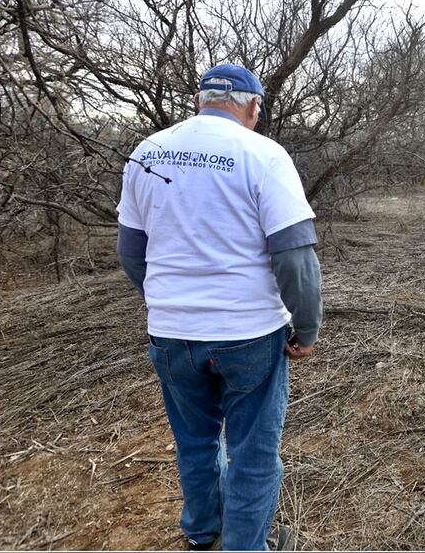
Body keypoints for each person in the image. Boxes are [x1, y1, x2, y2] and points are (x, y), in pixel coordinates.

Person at [116, 63, 322, 551]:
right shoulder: (263, 154)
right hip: (248, 334)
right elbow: (295, 259)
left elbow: (130, 251)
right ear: (253, 107)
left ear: (199, 99)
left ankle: (202, 532)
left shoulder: (148, 153)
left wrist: (170, 301)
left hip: (171, 334)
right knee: (253, 452)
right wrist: (307, 328)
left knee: (195, 439)